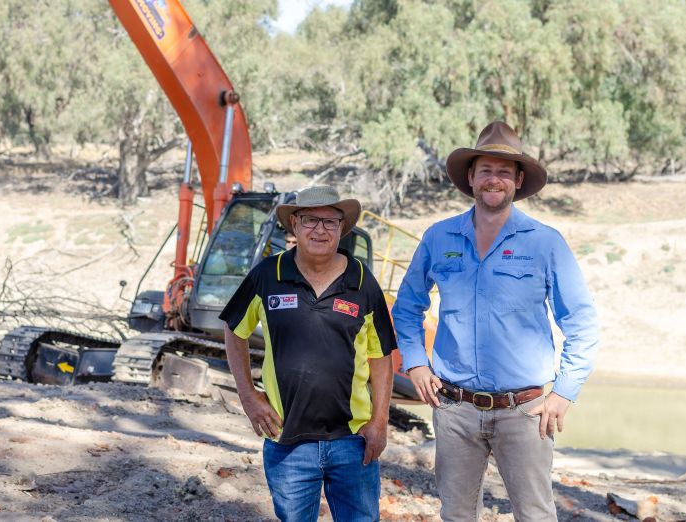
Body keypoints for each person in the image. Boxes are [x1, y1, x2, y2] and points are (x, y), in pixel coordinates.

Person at [391, 121, 600, 521]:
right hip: (454, 408)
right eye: (485, 169)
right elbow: (407, 306)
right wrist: (415, 362)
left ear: (518, 180)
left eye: (504, 172)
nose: (494, 179)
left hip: (525, 412)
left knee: (535, 514)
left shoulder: (545, 242)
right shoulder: (439, 237)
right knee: (456, 513)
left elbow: (582, 323)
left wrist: (564, 392)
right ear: (470, 176)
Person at [219, 185, 396, 521]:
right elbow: (234, 329)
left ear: (342, 229)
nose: (320, 230)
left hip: (353, 441)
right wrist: (247, 395)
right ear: (295, 225)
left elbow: (381, 355)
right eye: (311, 220)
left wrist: (380, 421)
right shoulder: (267, 276)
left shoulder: (362, 281)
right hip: (287, 441)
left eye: (330, 222)